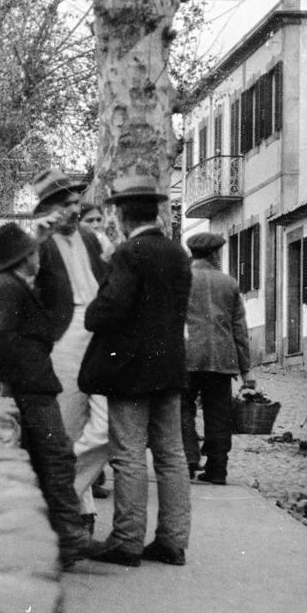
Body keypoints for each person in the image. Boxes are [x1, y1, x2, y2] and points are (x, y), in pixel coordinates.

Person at [0, 222, 104, 567]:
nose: (38, 258)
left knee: (45, 459)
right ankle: (69, 535)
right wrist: (11, 381)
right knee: (57, 455)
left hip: (32, 385)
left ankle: (59, 537)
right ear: (23, 258)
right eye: (33, 253)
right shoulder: (8, 290)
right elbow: (1, 341)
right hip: (31, 387)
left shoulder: (8, 286)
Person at [81, 174, 194, 567]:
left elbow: (108, 310)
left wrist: (92, 312)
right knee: (172, 455)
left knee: (128, 455)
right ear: (155, 213)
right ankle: (173, 541)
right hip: (170, 366)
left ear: (124, 218)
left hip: (129, 369)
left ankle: (127, 541)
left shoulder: (128, 254)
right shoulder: (179, 253)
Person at [28, 168, 113, 529]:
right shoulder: (39, 242)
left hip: (99, 333)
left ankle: (59, 495)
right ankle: (79, 512)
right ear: (48, 208)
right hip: (62, 339)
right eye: (67, 204)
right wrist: (37, 236)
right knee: (67, 427)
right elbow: (23, 281)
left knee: (109, 427)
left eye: (77, 202)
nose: (75, 210)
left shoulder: (94, 241)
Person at [182, 231, 254, 485]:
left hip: (187, 356)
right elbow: (240, 331)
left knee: (182, 407)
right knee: (218, 415)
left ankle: (189, 457)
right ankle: (217, 469)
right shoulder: (230, 283)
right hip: (222, 360)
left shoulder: (180, 278)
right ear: (213, 254)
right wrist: (247, 372)